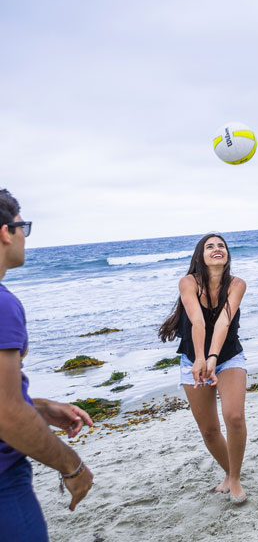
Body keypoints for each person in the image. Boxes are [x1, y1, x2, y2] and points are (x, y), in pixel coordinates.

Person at [0, 188, 94, 542]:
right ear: (6, 232)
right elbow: (7, 415)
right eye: (24, 226)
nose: (25, 236)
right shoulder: (3, 306)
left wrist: (37, 406)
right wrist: (73, 466)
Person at [158, 233, 248, 504]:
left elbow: (222, 323)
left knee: (233, 417)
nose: (217, 249)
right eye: (210, 246)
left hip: (229, 356)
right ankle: (228, 473)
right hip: (191, 360)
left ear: (227, 254)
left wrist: (212, 358)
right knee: (209, 430)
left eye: (221, 246)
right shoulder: (188, 283)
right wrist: (200, 359)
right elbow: (198, 322)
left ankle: (234, 480)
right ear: (200, 256)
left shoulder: (237, 285)